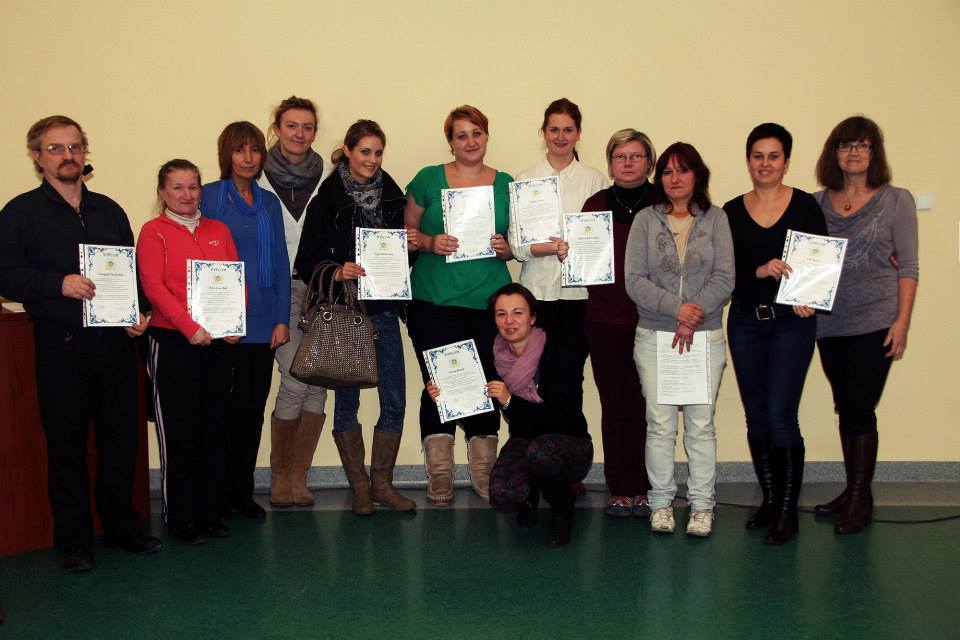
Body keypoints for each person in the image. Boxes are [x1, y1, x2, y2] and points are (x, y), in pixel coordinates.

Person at [0, 115, 160, 572]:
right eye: (55, 148)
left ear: (85, 152)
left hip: (115, 348)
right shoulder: (20, 213)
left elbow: (129, 271)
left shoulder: (108, 210)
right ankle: (73, 542)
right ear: (37, 157)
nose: (67, 156)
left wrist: (140, 312)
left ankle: (122, 528)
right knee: (67, 447)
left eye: (74, 147)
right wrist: (58, 284)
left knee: (120, 442)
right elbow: (6, 275)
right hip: (62, 347)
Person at [295, 119, 417, 515]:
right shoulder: (326, 201)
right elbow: (306, 262)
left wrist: (412, 246)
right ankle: (359, 487)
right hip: (345, 314)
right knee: (347, 401)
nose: (372, 159)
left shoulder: (394, 198)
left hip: (384, 311)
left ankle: (383, 484)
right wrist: (336, 271)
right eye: (365, 151)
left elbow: (402, 259)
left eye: (378, 152)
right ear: (347, 151)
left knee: (394, 400)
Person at [811, 116, 918, 535]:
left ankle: (860, 498)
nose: (853, 152)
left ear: (874, 152)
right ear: (834, 153)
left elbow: (908, 267)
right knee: (845, 404)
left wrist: (902, 322)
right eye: (845, 145)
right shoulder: (818, 203)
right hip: (829, 322)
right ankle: (853, 490)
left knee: (859, 404)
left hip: (876, 319)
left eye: (862, 145)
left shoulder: (897, 200)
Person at [723, 123, 827, 545]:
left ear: (786, 162)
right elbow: (724, 275)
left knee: (782, 415)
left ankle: (787, 510)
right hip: (745, 321)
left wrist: (810, 296)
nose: (765, 164)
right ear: (748, 160)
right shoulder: (730, 211)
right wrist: (760, 270)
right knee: (756, 416)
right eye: (758, 156)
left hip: (791, 323)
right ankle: (769, 499)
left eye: (773, 156)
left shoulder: (805, 206)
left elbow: (821, 260)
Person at [404, 105, 512, 506]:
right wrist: (430, 242)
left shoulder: (506, 184)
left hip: (489, 301)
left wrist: (506, 248)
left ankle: (484, 473)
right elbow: (406, 233)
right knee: (441, 384)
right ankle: (440, 475)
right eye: (461, 135)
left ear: (487, 136)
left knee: (486, 383)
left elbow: (517, 242)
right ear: (450, 141)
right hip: (434, 298)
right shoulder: (428, 179)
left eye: (476, 133)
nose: (470, 141)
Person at [624, 142, 734, 537]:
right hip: (655, 335)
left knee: (701, 426)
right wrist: (677, 311)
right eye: (668, 171)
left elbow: (725, 277)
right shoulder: (645, 220)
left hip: (704, 336)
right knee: (660, 425)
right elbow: (634, 280)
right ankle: (661, 504)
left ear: (697, 175)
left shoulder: (716, 219)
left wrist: (692, 315)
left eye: (683, 170)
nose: (675, 178)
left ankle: (702, 505)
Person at [138, 159, 241, 544]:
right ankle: (181, 519)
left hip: (216, 345)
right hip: (173, 343)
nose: (186, 195)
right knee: (179, 433)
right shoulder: (154, 232)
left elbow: (234, 279)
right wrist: (189, 327)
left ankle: (209, 513)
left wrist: (235, 323)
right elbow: (154, 287)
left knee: (215, 430)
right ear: (162, 192)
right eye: (177, 187)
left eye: (193, 187)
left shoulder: (219, 230)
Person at [562, 129, 657, 519]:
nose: (628, 163)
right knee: (616, 405)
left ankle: (652, 487)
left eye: (636, 156)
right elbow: (585, 265)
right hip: (605, 320)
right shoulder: (595, 204)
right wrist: (571, 254)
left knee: (655, 407)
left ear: (649, 162)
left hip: (656, 319)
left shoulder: (664, 203)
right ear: (610, 162)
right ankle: (622, 487)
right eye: (621, 156)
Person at [201, 122, 290, 521]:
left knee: (252, 411)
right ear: (227, 154)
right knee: (218, 412)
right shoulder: (209, 197)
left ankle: (241, 491)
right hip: (220, 324)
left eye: (255, 149)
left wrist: (281, 319)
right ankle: (215, 494)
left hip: (262, 322)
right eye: (240, 150)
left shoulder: (269, 203)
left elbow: (280, 262)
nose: (248, 158)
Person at [260, 96, 332, 509]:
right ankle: (279, 474)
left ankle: (298, 477)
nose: (299, 134)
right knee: (295, 378)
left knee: (318, 382)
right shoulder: (258, 174)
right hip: (277, 289)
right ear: (277, 128)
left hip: (319, 290)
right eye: (291, 126)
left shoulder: (327, 176)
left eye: (307, 127)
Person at [485, 284, 593, 547]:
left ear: (532, 317)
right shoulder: (495, 357)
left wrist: (510, 401)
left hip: (570, 443)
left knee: (540, 452)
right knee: (502, 491)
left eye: (517, 313)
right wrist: (443, 393)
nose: (509, 321)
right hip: (526, 442)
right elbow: (477, 399)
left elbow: (561, 417)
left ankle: (562, 506)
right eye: (501, 314)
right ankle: (528, 497)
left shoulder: (558, 352)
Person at [511, 98, 606, 366]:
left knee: (571, 373)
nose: (560, 137)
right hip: (536, 292)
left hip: (579, 295)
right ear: (543, 132)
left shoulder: (596, 181)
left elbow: (602, 243)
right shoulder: (525, 179)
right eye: (554, 130)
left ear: (579, 133)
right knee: (536, 372)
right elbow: (517, 246)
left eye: (568, 130)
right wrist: (553, 248)